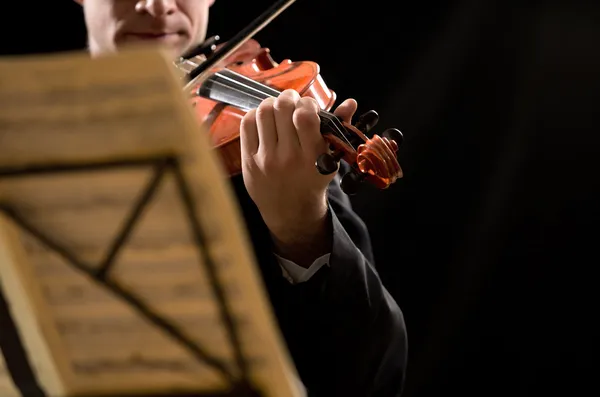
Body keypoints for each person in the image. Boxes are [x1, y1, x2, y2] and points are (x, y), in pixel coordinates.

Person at [74, 0, 408, 395]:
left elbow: (369, 375)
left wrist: (300, 228)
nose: (158, 5)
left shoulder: (270, 138)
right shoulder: (17, 122)